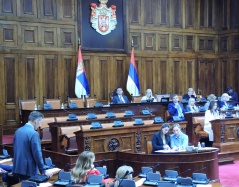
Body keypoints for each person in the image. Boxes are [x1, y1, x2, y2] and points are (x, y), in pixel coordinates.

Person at [12, 111, 53, 181]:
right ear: (36, 121)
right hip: (28, 169)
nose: (40, 125)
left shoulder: (18, 131)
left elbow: (15, 149)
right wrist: (43, 170)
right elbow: (37, 153)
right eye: (40, 122)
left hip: (17, 167)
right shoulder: (34, 134)